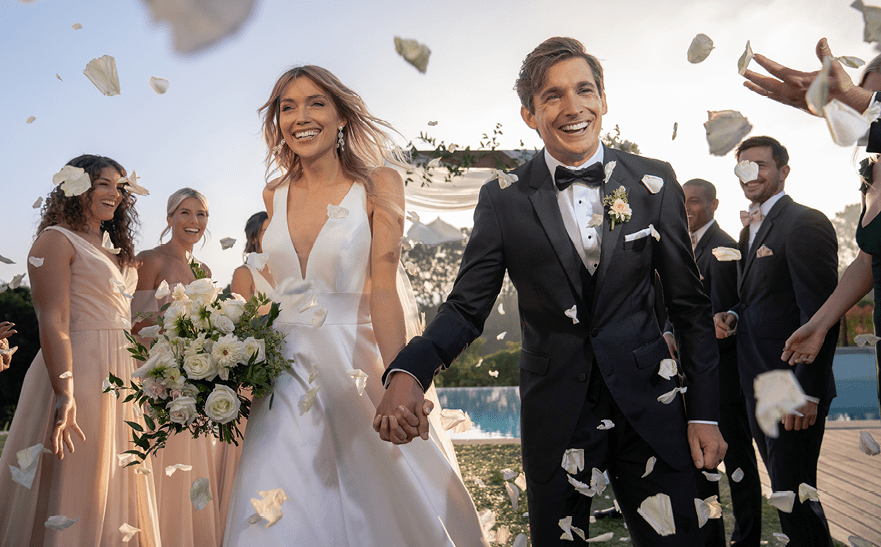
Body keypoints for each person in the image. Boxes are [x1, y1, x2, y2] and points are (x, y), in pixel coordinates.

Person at [376, 37, 726, 545]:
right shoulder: (502, 200)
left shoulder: (655, 180)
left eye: (584, 90)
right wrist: (410, 369)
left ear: (603, 99)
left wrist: (706, 415)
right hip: (556, 411)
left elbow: (689, 307)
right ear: (529, 113)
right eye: (553, 96)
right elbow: (467, 307)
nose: (572, 107)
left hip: (651, 406)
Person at [222, 65, 487, 546]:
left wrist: (397, 379)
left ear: (342, 115)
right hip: (282, 379)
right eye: (287, 106)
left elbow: (384, 289)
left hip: (354, 367)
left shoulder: (380, 184)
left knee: (380, 508)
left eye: (316, 102)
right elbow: (270, 295)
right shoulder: (273, 194)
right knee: (271, 514)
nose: (300, 116)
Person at [0, 154, 160, 546]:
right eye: (103, 183)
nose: (114, 193)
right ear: (76, 187)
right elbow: (52, 321)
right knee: (80, 479)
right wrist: (65, 392)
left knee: (115, 481)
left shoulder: (117, 249)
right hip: (79, 371)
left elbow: (127, 319)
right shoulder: (55, 240)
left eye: (120, 186)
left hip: (122, 374)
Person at [741, 39, 881, 414]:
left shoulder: (803, 224)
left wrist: (854, 100)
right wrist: (820, 325)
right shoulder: (872, 173)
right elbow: (867, 263)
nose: (871, 105)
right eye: (869, 93)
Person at [714, 136, 838, 547]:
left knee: (797, 497)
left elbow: (821, 314)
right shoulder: (749, 229)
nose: (750, 174)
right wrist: (733, 314)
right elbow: (760, 300)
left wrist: (809, 391)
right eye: (742, 166)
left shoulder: (804, 222)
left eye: (760, 165)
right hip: (757, 383)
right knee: (787, 497)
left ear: (784, 171)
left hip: (790, 388)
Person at [133, 188, 234, 546]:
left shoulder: (203, 269)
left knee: (191, 468)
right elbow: (138, 325)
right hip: (161, 379)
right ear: (169, 218)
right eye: (185, 213)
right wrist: (160, 376)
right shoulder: (149, 260)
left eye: (201, 214)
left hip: (195, 380)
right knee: (163, 464)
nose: (194, 221)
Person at [682, 178, 762, 547]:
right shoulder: (685, 247)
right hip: (695, 378)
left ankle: (746, 539)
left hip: (725, 379)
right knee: (704, 465)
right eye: (683, 201)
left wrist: (726, 319)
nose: (687, 208)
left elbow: (732, 308)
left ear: (714, 205)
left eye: (695, 201)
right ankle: (709, 536)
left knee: (740, 465)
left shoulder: (726, 247)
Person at [229, 211, 275, 312]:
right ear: (253, 238)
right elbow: (245, 320)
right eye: (267, 231)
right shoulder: (244, 273)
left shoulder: (282, 273)